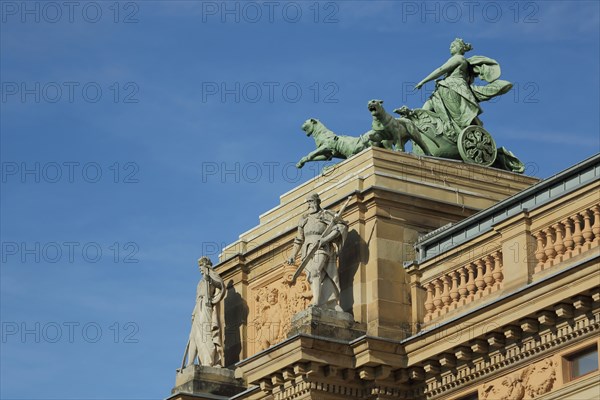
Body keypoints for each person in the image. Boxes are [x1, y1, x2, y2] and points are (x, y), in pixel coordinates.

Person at [415, 38, 512, 140]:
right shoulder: (461, 60)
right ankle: (419, 124)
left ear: (460, 48)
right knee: (428, 106)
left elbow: (441, 70)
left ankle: (464, 135)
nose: (450, 47)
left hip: (453, 88)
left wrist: (423, 81)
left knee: (458, 118)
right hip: (446, 87)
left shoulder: (458, 59)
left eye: (453, 45)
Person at [287, 193, 348, 311]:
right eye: (308, 202)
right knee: (312, 276)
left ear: (317, 202)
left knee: (315, 271)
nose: (310, 204)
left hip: (322, 248)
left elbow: (340, 227)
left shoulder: (325, 215)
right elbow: (299, 240)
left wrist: (325, 239)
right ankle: (327, 302)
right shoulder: (303, 219)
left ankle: (316, 301)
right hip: (307, 250)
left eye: (311, 201)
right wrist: (292, 255)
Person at [184, 256, 225, 368]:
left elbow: (221, 286)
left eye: (201, 266)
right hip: (199, 307)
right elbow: (198, 298)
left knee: (205, 333)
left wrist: (210, 280)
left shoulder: (211, 276)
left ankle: (209, 361)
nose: (200, 269)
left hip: (206, 307)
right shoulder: (201, 281)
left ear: (206, 266)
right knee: (193, 335)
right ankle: (190, 363)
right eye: (199, 267)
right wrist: (194, 312)